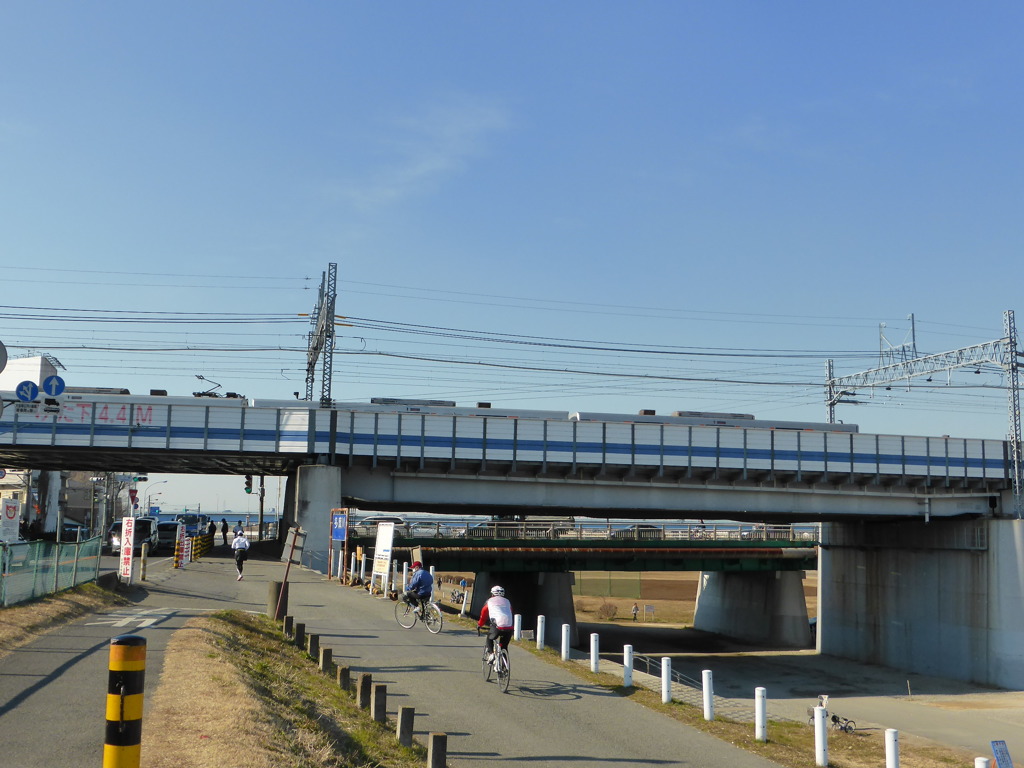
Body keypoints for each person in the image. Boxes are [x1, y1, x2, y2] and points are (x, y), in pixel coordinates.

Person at [477, 585, 514, 662]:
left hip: (498, 625)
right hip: (509, 627)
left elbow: (483, 615)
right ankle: (504, 667)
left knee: (489, 638)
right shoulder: (507, 602)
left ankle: (491, 654)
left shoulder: (489, 601)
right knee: (504, 647)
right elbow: (510, 611)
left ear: (492, 594)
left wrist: (480, 625)